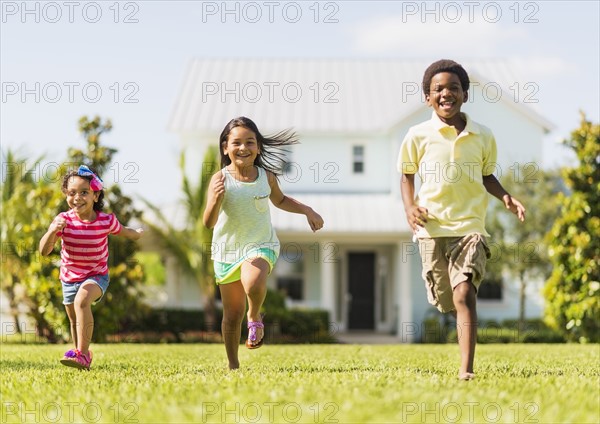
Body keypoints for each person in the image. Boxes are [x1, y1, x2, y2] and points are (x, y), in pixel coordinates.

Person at [398, 59, 526, 380]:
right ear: (427, 98)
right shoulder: (417, 135)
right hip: (431, 229)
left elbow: (487, 176)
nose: (446, 94)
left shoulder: (483, 135)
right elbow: (406, 176)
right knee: (445, 299)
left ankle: (466, 370)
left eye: (453, 88)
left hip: (470, 227)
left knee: (464, 292)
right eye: (437, 89)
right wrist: (410, 208)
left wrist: (506, 197)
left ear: (465, 94)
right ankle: (453, 310)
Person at [203, 116, 324, 370]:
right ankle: (233, 365)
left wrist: (307, 210)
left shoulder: (265, 176)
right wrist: (214, 200)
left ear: (258, 147)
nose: (243, 148)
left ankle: (254, 314)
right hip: (227, 251)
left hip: (261, 243)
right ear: (225, 147)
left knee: (254, 280)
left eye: (250, 142)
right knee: (231, 314)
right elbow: (209, 222)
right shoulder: (219, 179)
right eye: (237, 142)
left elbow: (280, 200)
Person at [39, 165, 143, 370]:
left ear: (95, 196)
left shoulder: (105, 221)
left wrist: (137, 233)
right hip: (69, 277)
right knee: (73, 317)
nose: (77, 197)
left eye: (84, 192)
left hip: (97, 276)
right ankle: (80, 353)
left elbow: (123, 230)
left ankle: (83, 354)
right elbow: (44, 251)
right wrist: (52, 231)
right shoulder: (63, 220)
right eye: (72, 193)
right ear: (66, 195)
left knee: (82, 301)